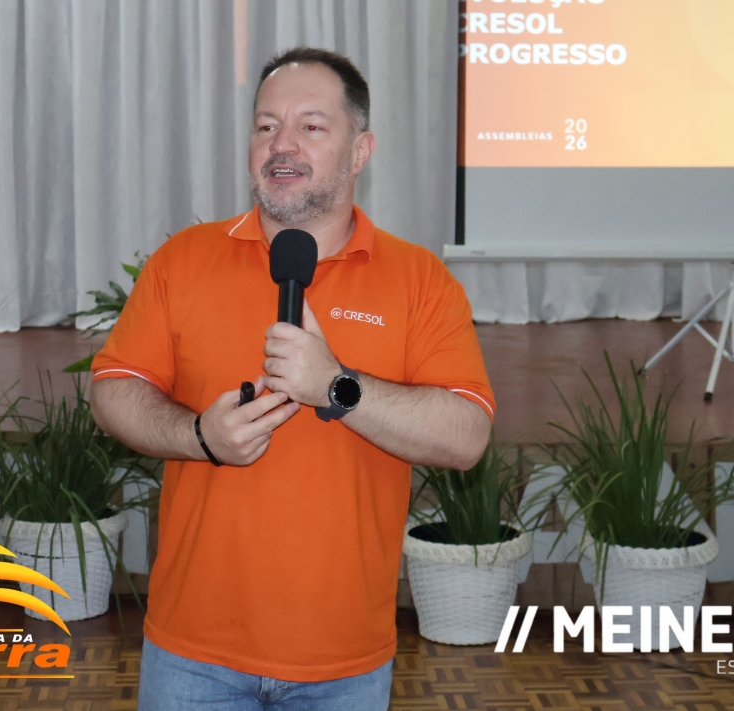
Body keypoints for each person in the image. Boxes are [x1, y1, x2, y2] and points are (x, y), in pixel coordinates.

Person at [90, 46, 495, 711]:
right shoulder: (183, 260)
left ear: (359, 151)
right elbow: (113, 390)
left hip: (344, 666)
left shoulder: (419, 281)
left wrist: (337, 386)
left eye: (311, 125)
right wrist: (199, 436)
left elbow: (467, 436)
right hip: (192, 655)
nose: (282, 144)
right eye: (265, 125)